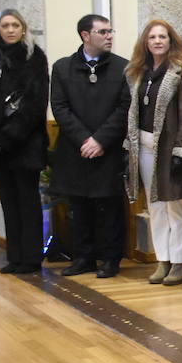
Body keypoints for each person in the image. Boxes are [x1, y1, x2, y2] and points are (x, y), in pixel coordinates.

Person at [50, 15, 129, 278]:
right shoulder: (62, 68)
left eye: (110, 31)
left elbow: (124, 108)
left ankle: (110, 259)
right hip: (75, 150)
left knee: (109, 208)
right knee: (79, 207)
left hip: (107, 150)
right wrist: (85, 139)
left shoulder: (123, 68)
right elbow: (60, 108)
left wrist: (100, 140)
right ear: (85, 35)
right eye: (103, 31)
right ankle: (83, 258)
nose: (109, 36)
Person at [124, 19, 182, 285]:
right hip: (143, 147)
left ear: (171, 41)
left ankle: (180, 263)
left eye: (162, 37)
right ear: (146, 42)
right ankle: (162, 259)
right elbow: (133, 113)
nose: (157, 41)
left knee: (175, 206)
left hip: (170, 149)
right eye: (152, 37)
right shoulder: (138, 72)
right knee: (155, 207)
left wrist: (181, 150)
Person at [0, 10, 49, 274]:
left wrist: (8, 137)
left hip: (25, 143)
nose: (10, 30)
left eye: (15, 25)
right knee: (9, 201)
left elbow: (35, 104)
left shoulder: (34, 58)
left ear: (23, 28)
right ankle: (15, 256)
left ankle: (31, 258)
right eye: (5, 25)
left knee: (27, 200)